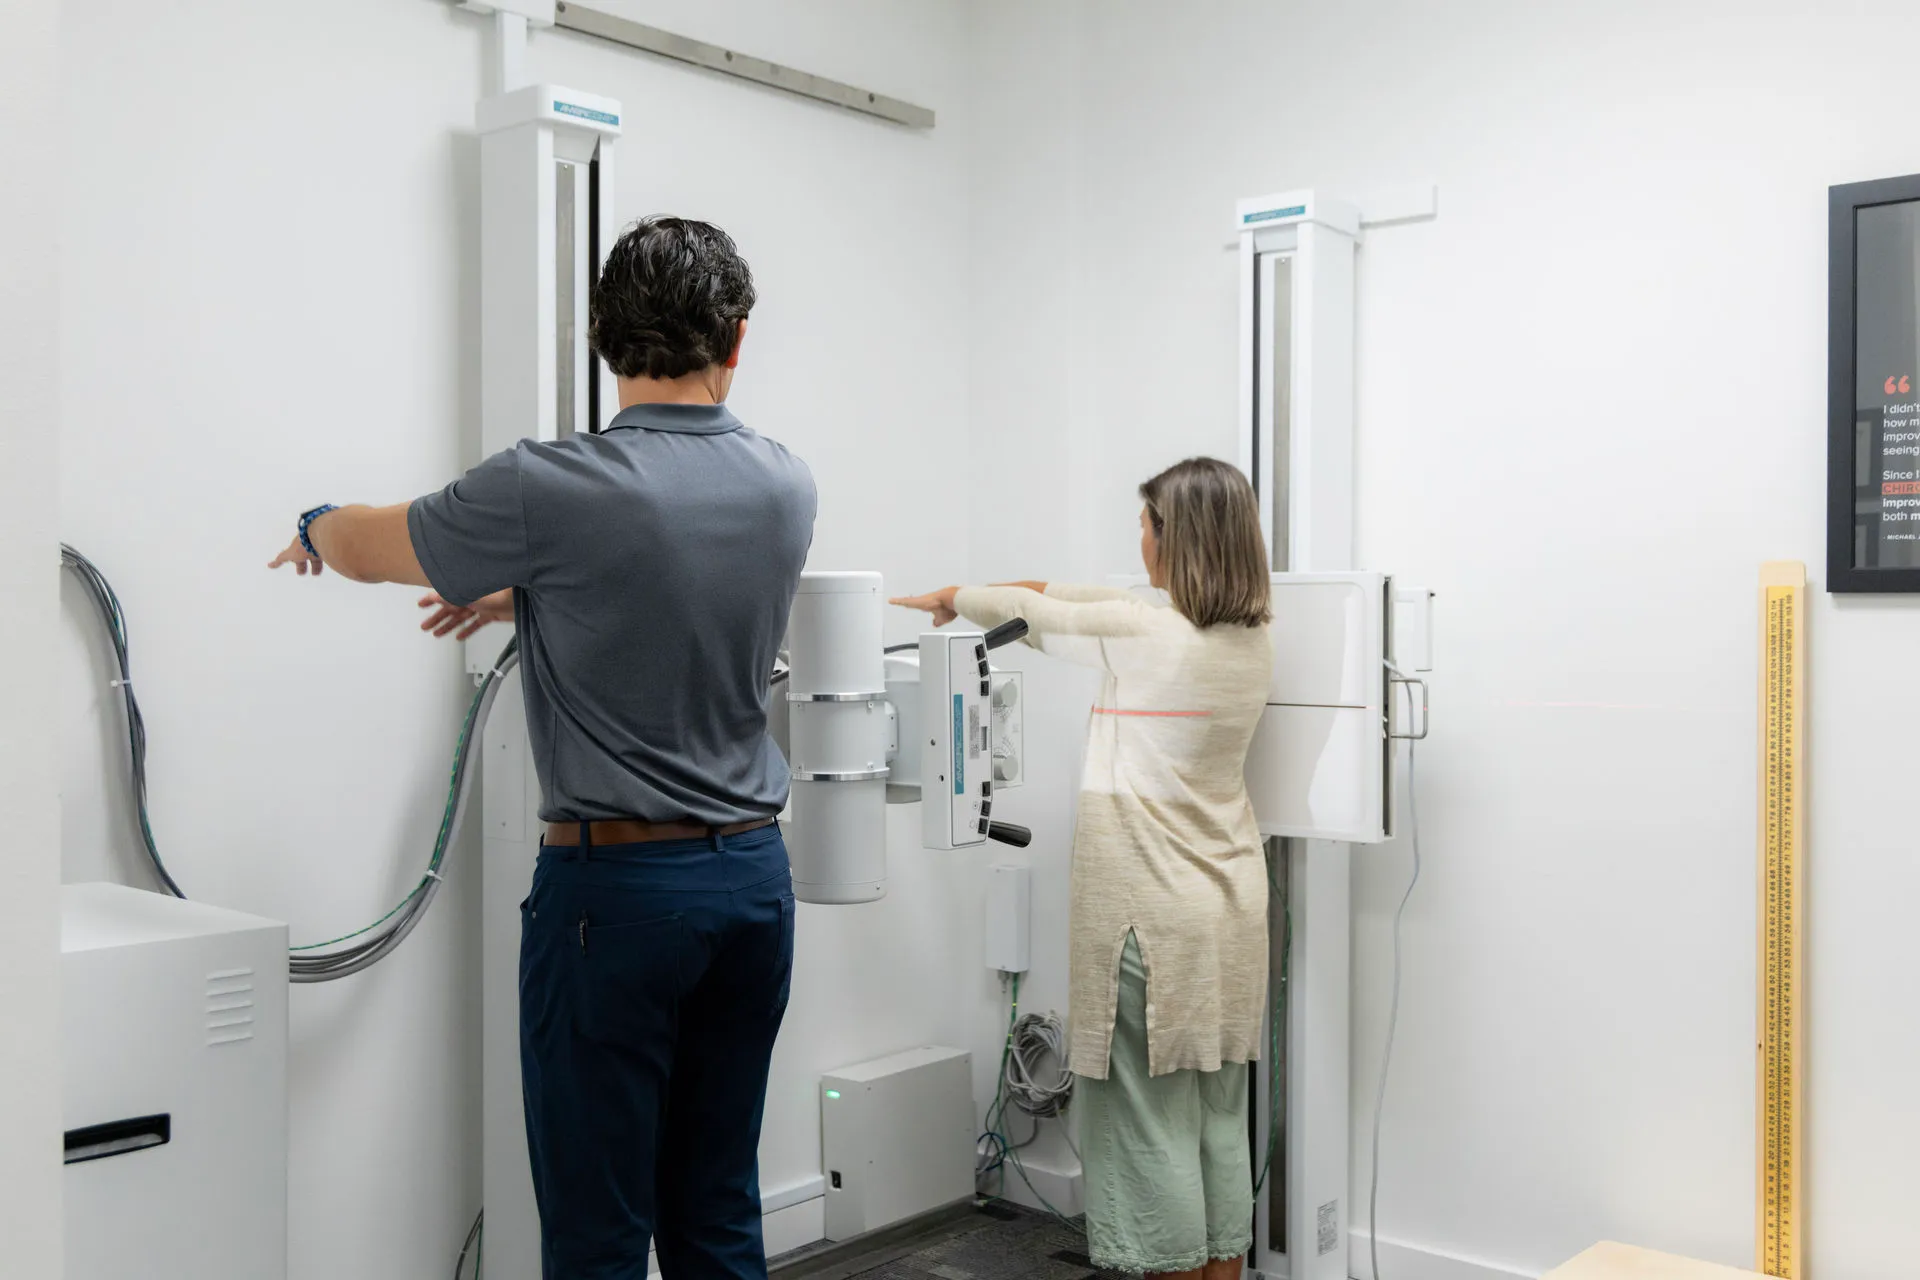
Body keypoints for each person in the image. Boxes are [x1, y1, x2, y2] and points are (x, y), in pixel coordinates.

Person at [268, 216, 817, 1279]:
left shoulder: (550, 486)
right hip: (751, 884)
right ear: (737, 339)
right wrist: (534, 592)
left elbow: (381, 548)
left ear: (603, 338)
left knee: (598, 1235)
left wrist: (319, 517)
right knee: (716, 1213)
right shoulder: (785, 484)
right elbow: (676, 584)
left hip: (613, 898)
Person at [892, 457, 1272, 1280]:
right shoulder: (1247, 639)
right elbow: (1063, 596)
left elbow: (1033, 610)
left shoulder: (1147, 636)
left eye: (1144, 524)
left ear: (1177, 540)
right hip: (1229, 914)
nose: (1136, 538)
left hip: (1152, 923)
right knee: (1213, 1116)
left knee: (1146, 1123)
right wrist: (989, 588)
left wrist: (952, 600)